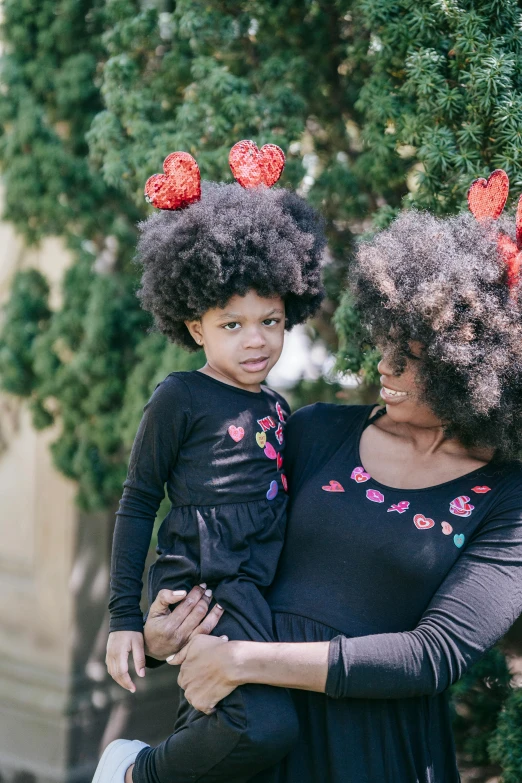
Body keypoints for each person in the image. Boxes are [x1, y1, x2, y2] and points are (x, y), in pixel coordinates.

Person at [144, 175, 522, 783]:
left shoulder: (508, 501)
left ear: (479, 371)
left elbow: (434, 656)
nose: (385, 364)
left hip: (373, 755)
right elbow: (226, 549)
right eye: (388, 340)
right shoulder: (316, 431)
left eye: (415, 356)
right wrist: (164, 634)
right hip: (253, 737)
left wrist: (247, 659)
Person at [91, 145, 326, 783]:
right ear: (196, 326)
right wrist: (123, 620)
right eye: (232, 324)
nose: (256, 340)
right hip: (204, 584)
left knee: (234, 727)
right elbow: (139, 499)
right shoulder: (181, 395)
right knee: (264, 726)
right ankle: (132, 773)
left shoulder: (278, 408)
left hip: (257, 587)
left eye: (271, 320)